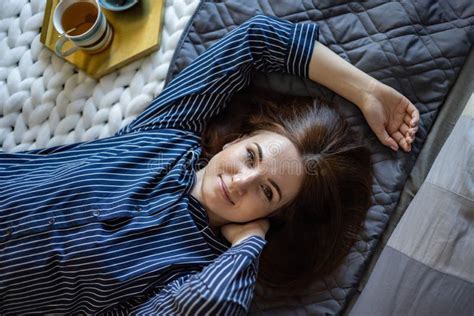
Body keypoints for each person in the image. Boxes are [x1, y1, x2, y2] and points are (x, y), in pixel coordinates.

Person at [0, 15, 419, 314]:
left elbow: (210, 303)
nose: (242, 181)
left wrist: (248, 246)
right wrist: (367, 91)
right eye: (251, 157)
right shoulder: (168, 134)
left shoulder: (194, 273)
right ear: (237, 140)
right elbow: (255, 41)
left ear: (275, 217)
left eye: (267, 191)